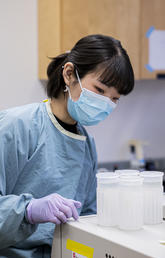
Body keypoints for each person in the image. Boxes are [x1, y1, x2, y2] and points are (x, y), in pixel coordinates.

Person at [0, 34, 134, 257]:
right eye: (100, 90)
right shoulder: (16, 127)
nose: (106, 104)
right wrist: (27, 211)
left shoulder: (86, 145)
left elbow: (87, 220)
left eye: (114, 99)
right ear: (69, 74)